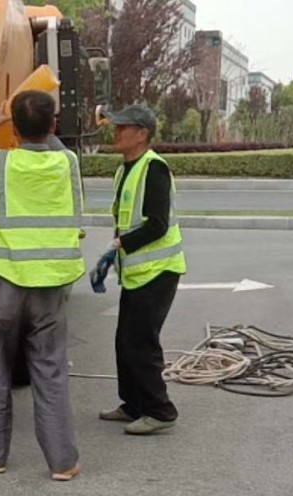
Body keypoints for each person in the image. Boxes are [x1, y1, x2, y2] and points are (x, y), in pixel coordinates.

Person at [0, 89, 86, 481]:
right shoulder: (68, 163)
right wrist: (40, 123)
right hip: (51, 286)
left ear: (14, 130)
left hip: (6, 284)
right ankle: (62, 463)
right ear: (54, 126)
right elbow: (46, 139)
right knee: (50, 372)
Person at [90, 104, 187, 435]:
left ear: (142, 133)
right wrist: (111, 258)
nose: (116, 132)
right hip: (137, 273)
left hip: (159, 272)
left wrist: (120, 246)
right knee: (124, 341)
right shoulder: (125, 169)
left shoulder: (154, 168)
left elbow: (158, 225)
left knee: (141, 343)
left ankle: (160, 410)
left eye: (122, 127)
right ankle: (133, 404)